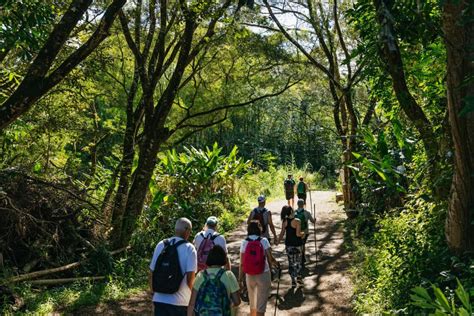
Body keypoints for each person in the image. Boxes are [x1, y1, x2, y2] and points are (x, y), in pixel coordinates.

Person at [149, 218, 197, 316]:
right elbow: (190, 279)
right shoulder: (190, 248)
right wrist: (194, 299)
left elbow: (151, 272)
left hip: (159, 300)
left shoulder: (161, 244)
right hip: (180, 301)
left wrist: (153, 294)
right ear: (187, 230)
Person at [239, 221, 279, 316]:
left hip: (249, 275)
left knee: (252, 302)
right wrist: (276, 263)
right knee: (261, 304)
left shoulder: (244, 242)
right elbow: (270, 259)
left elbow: (241, 263)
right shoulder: (264, 240)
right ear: (259, 229)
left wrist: (240, 279)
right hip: (263, 273)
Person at [187, 245, 241, 316]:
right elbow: (237, 301)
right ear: (223, 258)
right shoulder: (228, 275)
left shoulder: (200, 276)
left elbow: (192, 303)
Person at [278, 205, 304, 287]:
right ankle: (299, 276)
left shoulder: (284, 221)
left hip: (289, 244)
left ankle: (293, 280)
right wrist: (303, 234)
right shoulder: (297, 221)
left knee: (291, 262)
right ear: (291, 212)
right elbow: (298, 234)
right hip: (297, 244)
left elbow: (282, 233)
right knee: (298, 261)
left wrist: (277, 241)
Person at [295, 199, 315, 268]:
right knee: (303, 244)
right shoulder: (307, 212)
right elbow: (313, 221)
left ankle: (298, 257)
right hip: (305, 232)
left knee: (299, 244)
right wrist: (314, 219)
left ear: (297, 204)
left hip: (297, 232)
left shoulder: (294, 213)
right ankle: (302, 256)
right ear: (303, 204)